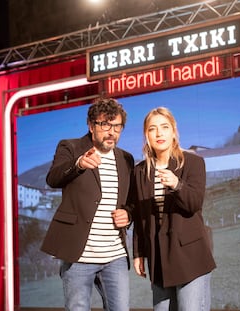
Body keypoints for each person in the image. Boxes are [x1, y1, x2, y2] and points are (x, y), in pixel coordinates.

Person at [41, 97, 135, 311]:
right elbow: (53, 178)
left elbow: (131, 202)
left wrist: (128, 215)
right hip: (79, 255)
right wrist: (78, 164)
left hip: (115, 256)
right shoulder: (71, 147)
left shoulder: (126, 159)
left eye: (117, 126)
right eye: (105, 124)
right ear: (91, 126)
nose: (112, 131)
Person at [132, 107, 216, 311]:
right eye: (152, 129)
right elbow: (139, 216)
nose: (159, 133)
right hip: (158, 258)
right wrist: (138, 253)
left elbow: (194, 203)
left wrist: (177, 185)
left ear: (174, 131)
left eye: (164, 127)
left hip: (190, 257)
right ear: (146, 135)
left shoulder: (193, 162)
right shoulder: (140, 171)